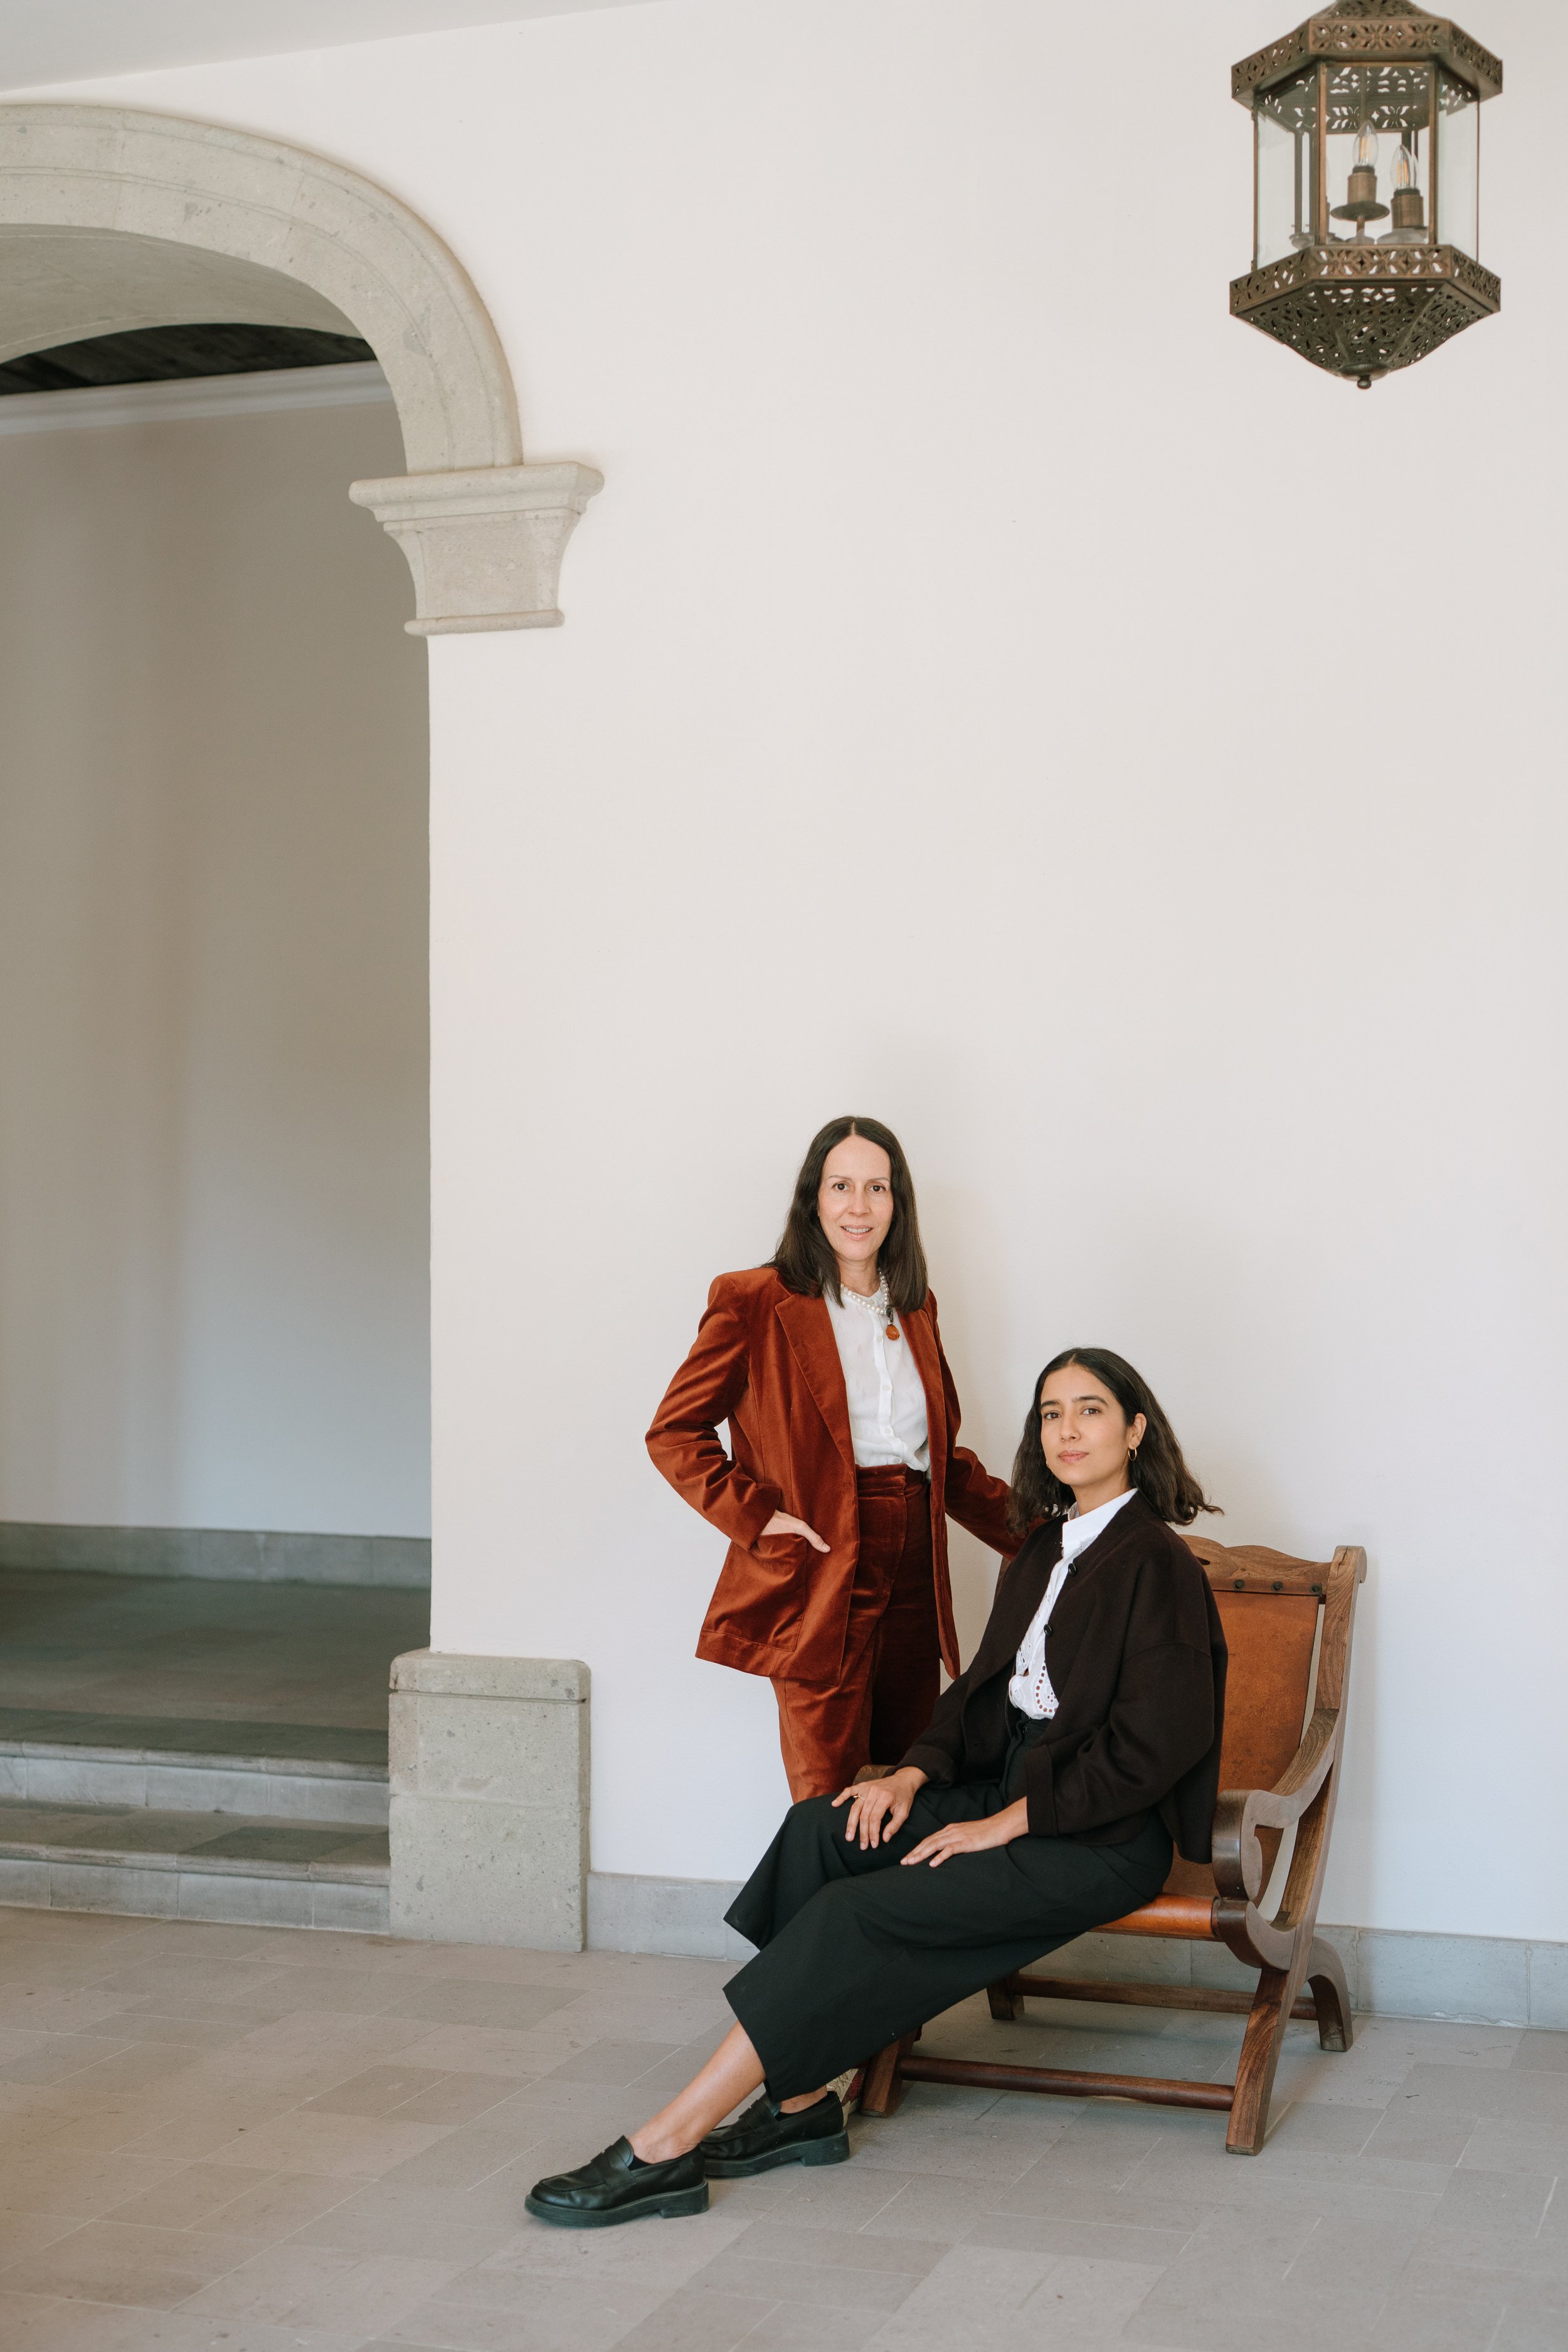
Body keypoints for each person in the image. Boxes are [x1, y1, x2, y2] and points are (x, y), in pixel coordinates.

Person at [527, 1347, 1227, 2228]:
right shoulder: (1045, 1546)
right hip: (1016, 1792)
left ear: (1135, 1430)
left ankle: (669, 2142)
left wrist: (1004, 1824)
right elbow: (982, 1695)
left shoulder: (1156, 1563)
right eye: (1051, 1413)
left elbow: (1155, 1747)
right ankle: (799, 2101)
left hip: (1098, 1837)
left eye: (1090, 1410)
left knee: (851, 1913)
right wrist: (909, 1775)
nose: (1067, 1430)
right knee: (823, 1829)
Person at [645, 1116, 1015, 1801]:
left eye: (877, 1188)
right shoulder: (754, 1300)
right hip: (819, 1566)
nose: (858, 1206)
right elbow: (674, 1432)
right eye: (841, 1186)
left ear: (897, 1202)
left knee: (909, 1784)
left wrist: (1049, 1530)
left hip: (914, 1569)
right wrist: (758, 1517)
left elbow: (941, 1460)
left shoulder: (917, 1307)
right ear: (813, 1198)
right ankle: (819, 1880)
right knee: (827, 1797)